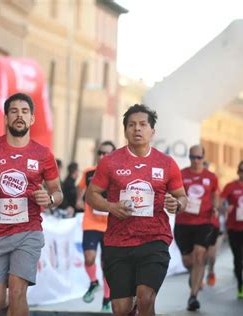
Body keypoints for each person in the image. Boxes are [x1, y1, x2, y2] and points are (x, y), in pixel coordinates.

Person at [0, 92, 63, 315]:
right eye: (14, 111)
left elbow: (57, 192)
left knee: (18, 292)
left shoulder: (43, 154)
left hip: (28, 231)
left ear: (32, 119)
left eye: (25, 112)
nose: (20, 116)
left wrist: (50, 198)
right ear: (6, 118)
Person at [86, 104, 187, 316]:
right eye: (131, 125)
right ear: (125, 131)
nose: (137, 129)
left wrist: (176, 204)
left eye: (142, 125)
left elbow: (182, 197)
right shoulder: (110, 162)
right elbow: (91, 195)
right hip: (118, 241)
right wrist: (110, 206)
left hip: (154, 240)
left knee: (145, 297)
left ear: (152, 131)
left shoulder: (166, 163)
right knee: (120, 309)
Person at [174, 145, 219, 311]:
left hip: (204, 222)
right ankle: (194, 275)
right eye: (192, 157)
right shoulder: (182, 174)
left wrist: (215, 207)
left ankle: (193, 297)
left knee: (199, 257)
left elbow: (215, 195)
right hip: (183, 222)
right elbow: (174, 192)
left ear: (203, 158)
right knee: (188, 261)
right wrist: (178, 202)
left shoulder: (211, 177)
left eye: (199, 158)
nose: (195, 161)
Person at [76, 141, 116, 311]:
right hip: (91, 223)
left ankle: (107, 298)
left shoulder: (118, 174)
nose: (102, 156)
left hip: (111, 226)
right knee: (89, 257)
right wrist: (80, 202)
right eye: (100, 152)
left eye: (106, 153)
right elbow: (79, 198)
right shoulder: (88, 173)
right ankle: (93, 282)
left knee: (107, 264)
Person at [220, 160, 243, 299]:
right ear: (237, 172)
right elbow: (220, 202)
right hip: (234, 226)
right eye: (242, 170)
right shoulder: (230, 186)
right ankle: (240, 285)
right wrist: (225, 208)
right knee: (237, 257)